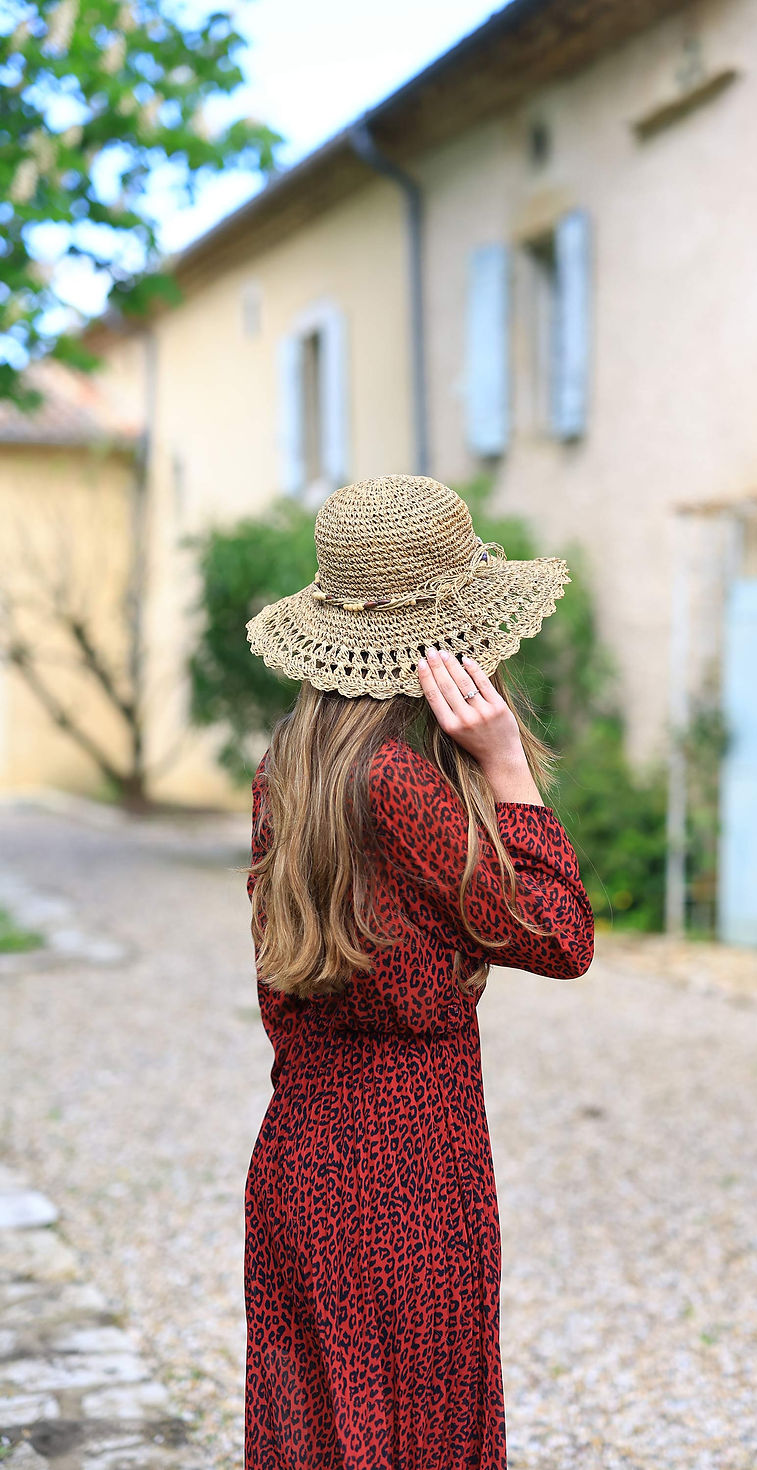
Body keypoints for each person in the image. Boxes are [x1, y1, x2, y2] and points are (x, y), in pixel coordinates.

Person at [242, 473, 595, 1469]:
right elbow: (560, 936)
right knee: (427, 1441)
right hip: (407, 1170)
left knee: (317, 1439)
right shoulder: (401, 787)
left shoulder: (292, 765)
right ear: (443, 644)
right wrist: (506, 765)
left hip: (301, 1156)